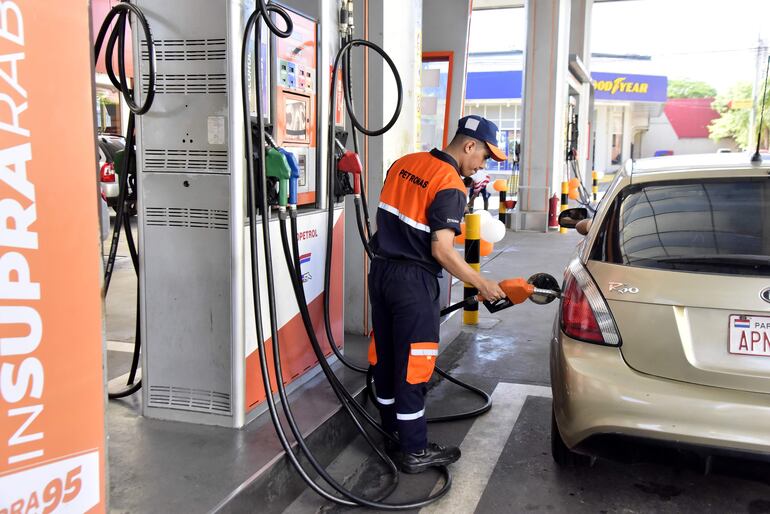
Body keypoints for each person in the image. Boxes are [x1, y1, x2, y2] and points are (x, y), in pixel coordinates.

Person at [367, 115, 507, 474]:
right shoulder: (450, 184)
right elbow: (441, 250)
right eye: (484, 156)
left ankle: (391, 433)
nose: (482, 165)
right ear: (469, 145)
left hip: (381, 271)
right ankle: (414, 449)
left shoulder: (404, 163)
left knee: (386, 357)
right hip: (414, 283)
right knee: (415, 364)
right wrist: (481, 283)